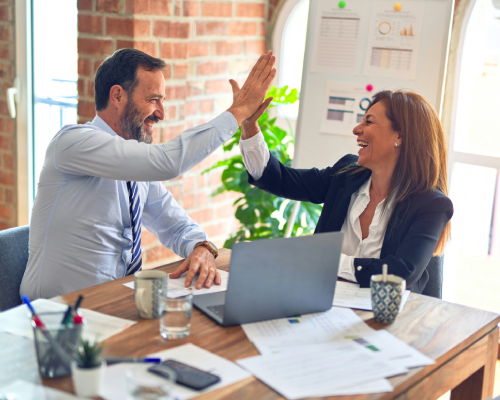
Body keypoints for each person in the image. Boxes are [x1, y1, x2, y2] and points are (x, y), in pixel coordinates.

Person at [20, 48, 276, 299]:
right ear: (118, 96)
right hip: (54, 316)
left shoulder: (134, 168)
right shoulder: (73, 143)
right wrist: (238, 112)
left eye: (162, 101)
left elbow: (174, 223)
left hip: (113, 306)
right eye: (154, 99)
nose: (161, 113)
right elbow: (168, 162)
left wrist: (201, 247)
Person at [239, 89, 453, 293]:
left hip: (388, 320)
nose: (356, 129)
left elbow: (399, 274)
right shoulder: (346, 175)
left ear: (400, 136)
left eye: (369, 121)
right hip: (322, 304)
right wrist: (249, 126)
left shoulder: (431, 205)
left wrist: (327, 261)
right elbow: (279, 179)